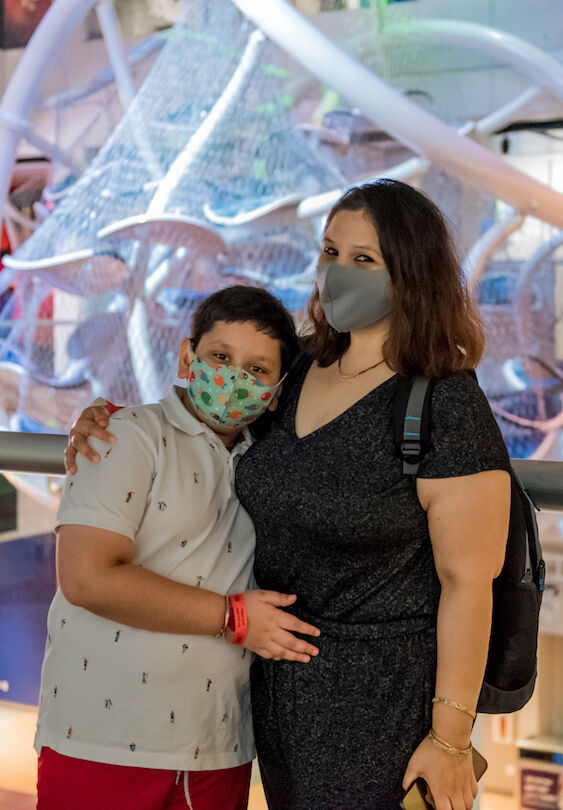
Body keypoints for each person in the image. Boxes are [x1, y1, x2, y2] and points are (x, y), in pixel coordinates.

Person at [67, 180, 511, 810]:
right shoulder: (295, 370)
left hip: (382, 706)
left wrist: (450, 739)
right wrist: (104, 419)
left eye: (363, 258)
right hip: (272, 693)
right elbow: (207, 416)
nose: (337, 272)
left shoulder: (443, 398)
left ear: (411, 273)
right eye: (330, 252)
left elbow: (468, 582)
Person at [35, 285, 321, 810]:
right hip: (102, 741)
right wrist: (235, 618)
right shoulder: (126, 436)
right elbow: (86, 577)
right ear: (189, 357)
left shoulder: (271, 464)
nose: (234, 378)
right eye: (220, 357)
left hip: (219, 746)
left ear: (277, 391)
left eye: (257, 370)